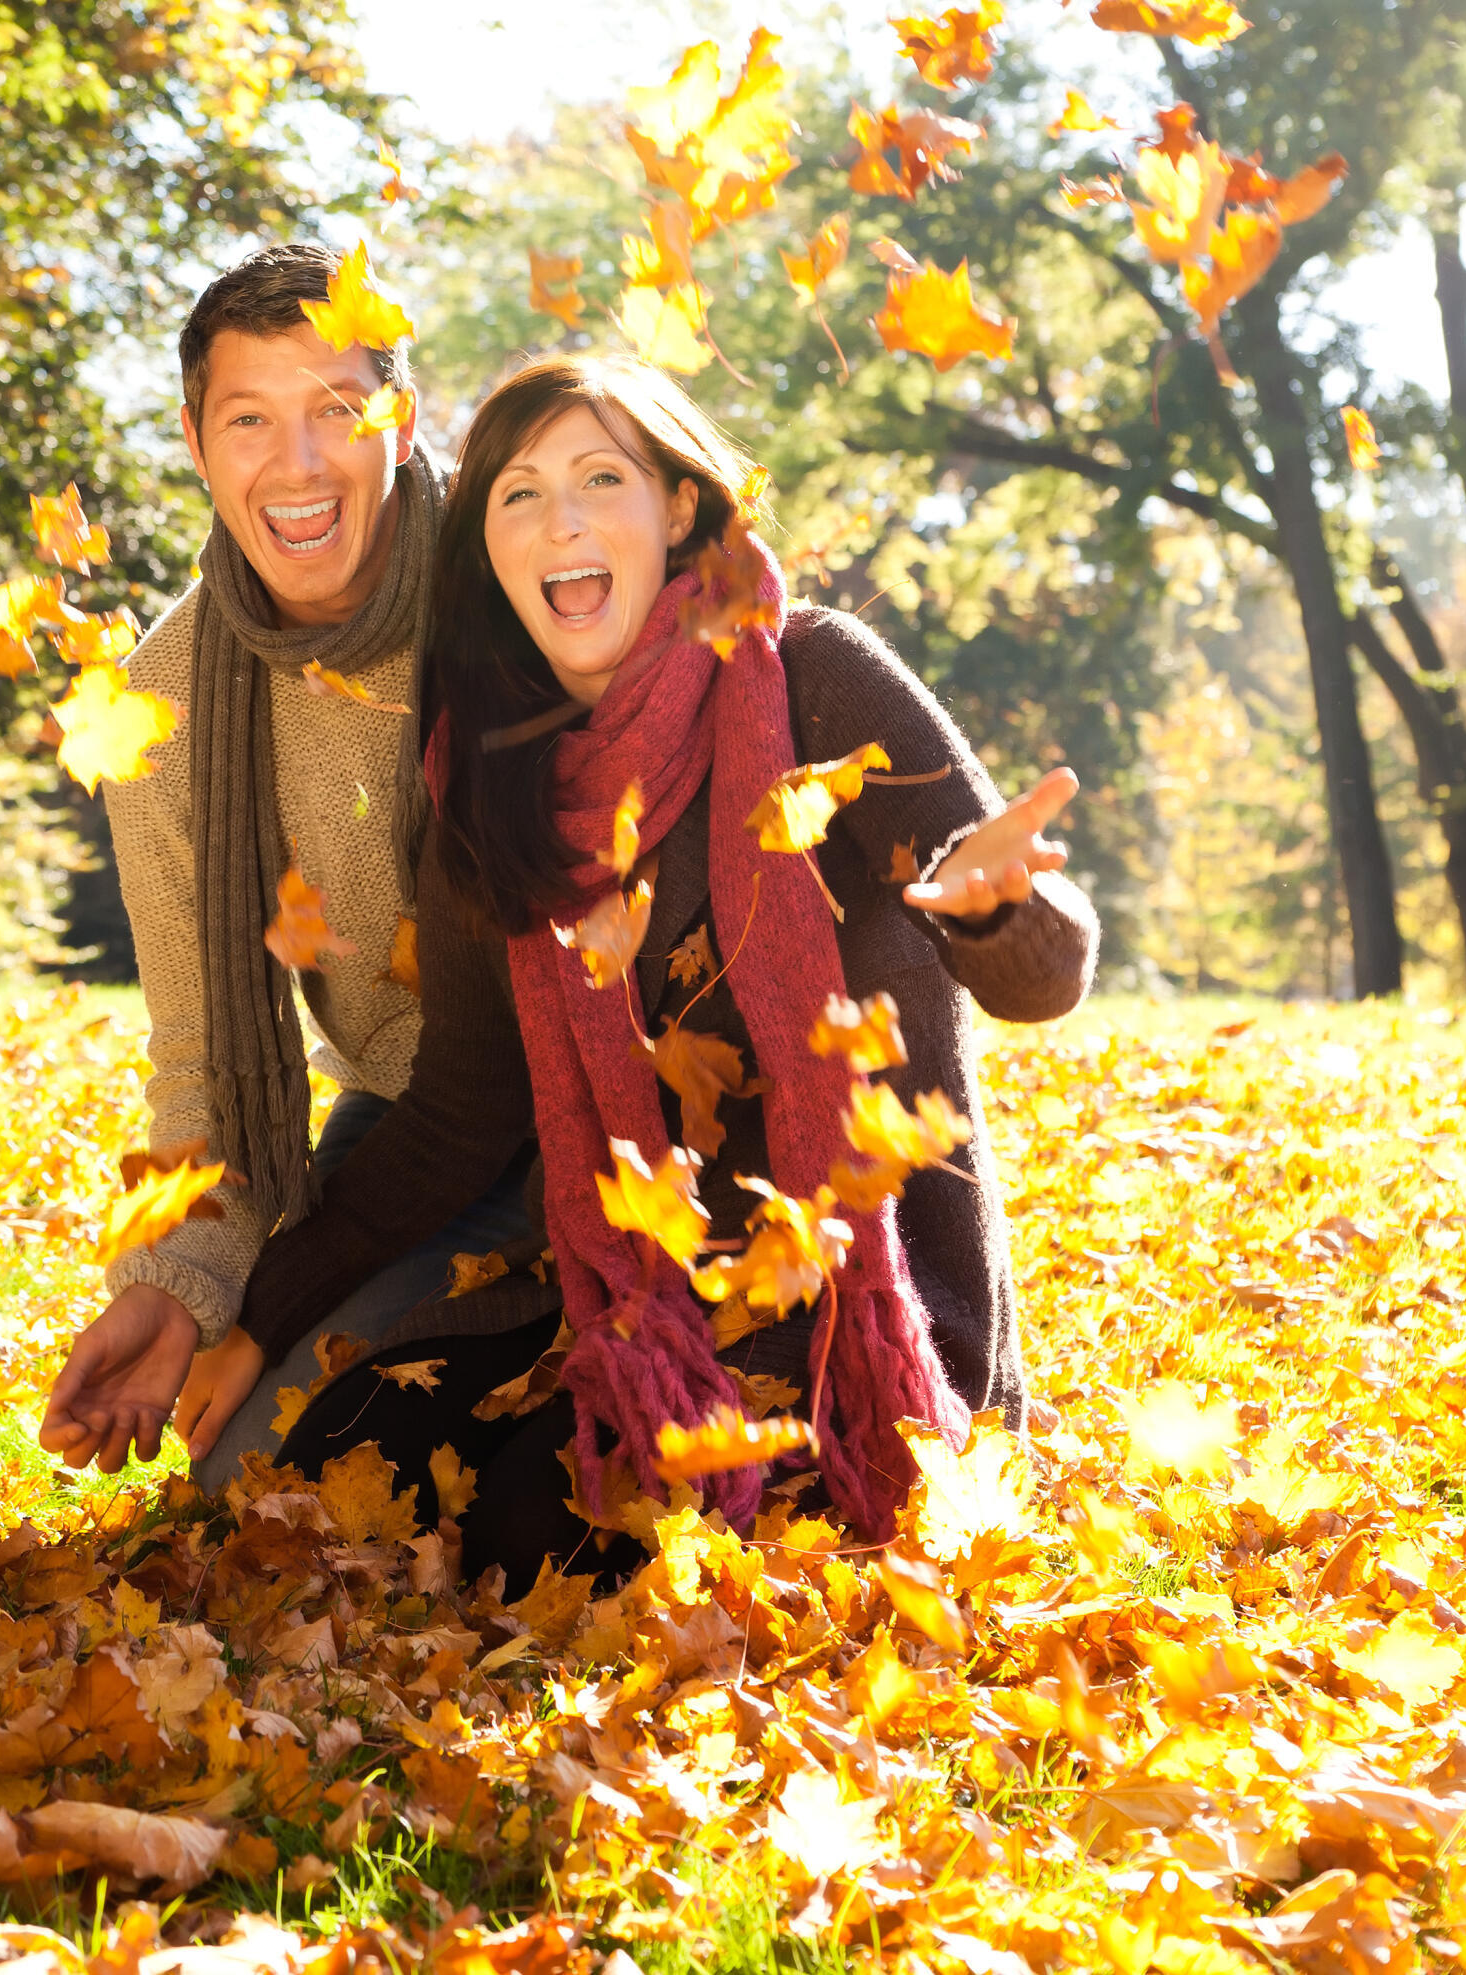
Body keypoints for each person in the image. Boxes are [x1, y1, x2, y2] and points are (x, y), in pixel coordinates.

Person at [262, 352, 1094, 1579]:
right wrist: (256, 1310)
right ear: (488, 548)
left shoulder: (811, 675)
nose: (564, 520)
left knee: (548, 1546)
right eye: (521, 494)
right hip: (655, 1305)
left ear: (682, 509)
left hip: (872, 1309)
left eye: (604, 477)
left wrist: (996, 910)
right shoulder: (491, 784)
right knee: (324, 1451)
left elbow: (1041, 972)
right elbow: (456, 1117)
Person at [35, 244, 541, 1484]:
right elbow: (207, 1052)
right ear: (200, 447)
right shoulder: (163, 703)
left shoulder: (524, 581)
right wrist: (177, 1285)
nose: (298, 464)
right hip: (412, 1116)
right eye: (251, 419)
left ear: (403, 424)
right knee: (258, 1466)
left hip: (603, 1096)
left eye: (336, 410)